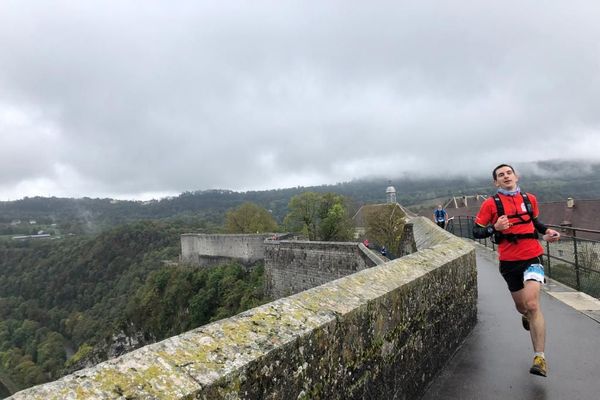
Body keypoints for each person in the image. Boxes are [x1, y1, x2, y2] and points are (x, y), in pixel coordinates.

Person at [472, 164, 560, 377]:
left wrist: (547, 231)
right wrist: (495, 228)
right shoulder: (490, 204)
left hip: (533, 256)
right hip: (509, 261)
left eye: (508, 173)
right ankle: (526, 316)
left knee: (532, 303)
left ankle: (540, 357)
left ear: (516, 176)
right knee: (522, 307)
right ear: (496, 182)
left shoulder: (530, 199)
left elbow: (535, 222)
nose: (506, 176)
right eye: (501, 175)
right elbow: (475, 231)